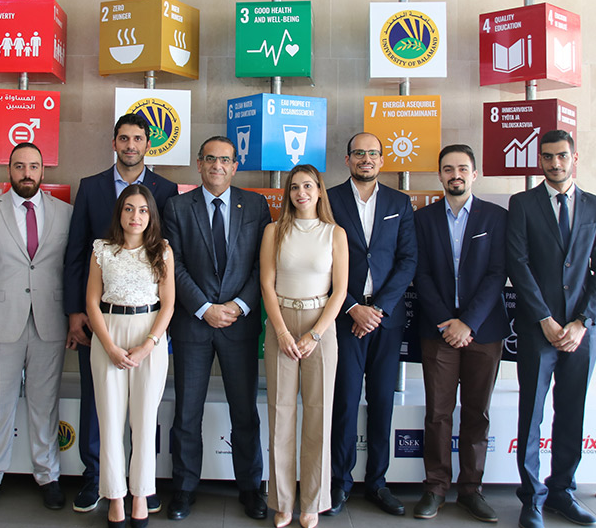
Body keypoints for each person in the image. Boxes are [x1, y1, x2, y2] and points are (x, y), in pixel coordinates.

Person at [64, 113, 178, 513]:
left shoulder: (166, 190)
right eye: (124, 138)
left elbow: (166, 264)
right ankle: (97, 480)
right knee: (101, 408)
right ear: (114, 143)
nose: (131, 145)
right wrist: (75, 313)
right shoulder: (91, 187)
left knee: (144, 416)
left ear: (148, 143)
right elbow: (76, 251)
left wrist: (153, 339)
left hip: (148, 321)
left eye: (138, 138)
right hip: (103, 320)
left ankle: (141, 488)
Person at [507, 130, 596, 528]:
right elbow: (518, 264)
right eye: (548, 157)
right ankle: (531, 498)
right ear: (540, 160)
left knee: (572, 412)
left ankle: (562, 492)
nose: (555, 163)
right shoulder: (522, 204)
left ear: (574, 158)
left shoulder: (595, 206)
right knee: (531, 413)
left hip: (581, 333)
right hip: (539, 329)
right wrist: (545, 319)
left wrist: (582, 321)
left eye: (562, 156)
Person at [163, 136, 271, 522]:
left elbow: (263, 264)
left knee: (245, 411)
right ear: (199, 164)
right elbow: (172, 264)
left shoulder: (255, 205)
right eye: (210, 159)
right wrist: (204, 308)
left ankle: (250, 487)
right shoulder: (177, 206)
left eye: (225, 160)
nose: (217, 166)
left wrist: (239, 305)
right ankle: (184, 488)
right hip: (193, 324)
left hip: (239, 324)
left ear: (235, 165)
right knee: (186, 411)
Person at [0, 142, 72, 512]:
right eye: (20, 166)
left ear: (43, 170)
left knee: (45, 404)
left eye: (34, 166)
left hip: (49, 325)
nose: (27, 173)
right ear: (9, 170)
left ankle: (48, 475)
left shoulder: (66, 213)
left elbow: (73, 270)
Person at [412, 145, 509, 522]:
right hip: (438, 332)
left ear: (475, 174)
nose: (456, 175)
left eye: (463, 168)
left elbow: (497, 273)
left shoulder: (496, 218)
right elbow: (419, 274)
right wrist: (446, 321)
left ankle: (471, 489)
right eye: (449, 169)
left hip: (483, 332)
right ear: (439, 175)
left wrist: (467, 322)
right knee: (437, 414)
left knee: (476, 413)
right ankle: (435, 488)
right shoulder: (423, 219)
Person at [325, 132, 417, 517]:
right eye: (359, 153)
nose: (366, 159)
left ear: (382, 160)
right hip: (343, 318)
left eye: (373, 153)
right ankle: (340, 482)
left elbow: (408, 260)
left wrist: (377, 309)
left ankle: (378, 482)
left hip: (385, 320)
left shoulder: (399, 202)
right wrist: (351, 307)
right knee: (344, 402)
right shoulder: (328, 199)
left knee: (382, 401)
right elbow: (321, 260)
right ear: (347, 159)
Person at [260, 165, 349, 528]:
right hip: (281, 321)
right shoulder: (274, 230)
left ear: (319, 190)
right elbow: (266, 284)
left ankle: (313, 501)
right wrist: (281, 332)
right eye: (295, 187)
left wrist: (315, 334)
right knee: (280, 414)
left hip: (320, 325)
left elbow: (340, 291)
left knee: (319, 414)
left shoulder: (335, 233)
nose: (301, 193)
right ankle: (283, 501)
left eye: (308, 186)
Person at [86, 185, 175, 528]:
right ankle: (114, 497)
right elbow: (92, 302)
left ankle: (140, 495)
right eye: (128, 209)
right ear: (119, 213)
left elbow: (168, 304)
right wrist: (109, 346)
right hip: (109, 334)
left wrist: (149, 345)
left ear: (151, 215)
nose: (135, 216)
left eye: (142, 210)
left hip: (148, 336)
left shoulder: (162, 251)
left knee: (144, 422)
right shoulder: (102, 249)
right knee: (109, 422)